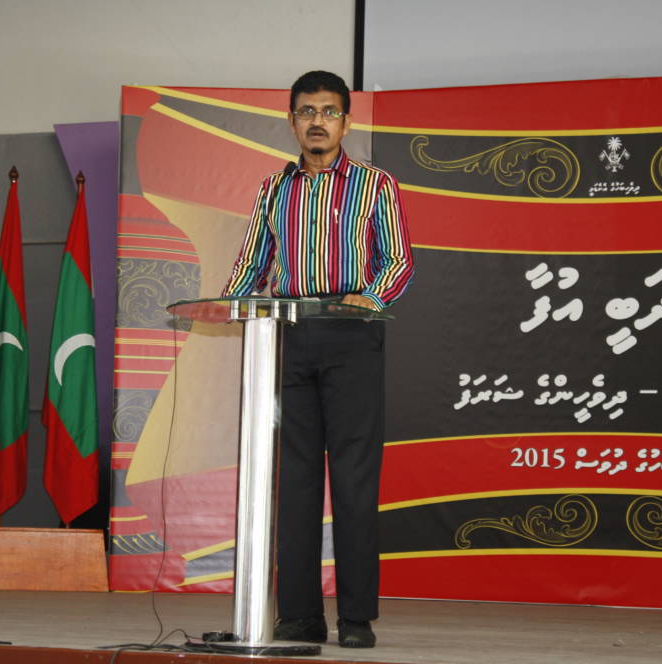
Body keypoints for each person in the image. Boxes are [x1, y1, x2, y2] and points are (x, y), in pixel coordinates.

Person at [222, 70, 414, 648]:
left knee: (354, 480)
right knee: (295, 482)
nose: (317, 122)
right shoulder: (272, 189)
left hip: (353, 336)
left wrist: (369, 298)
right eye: (307, 112)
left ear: (346, 122)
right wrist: (231, 304)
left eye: (328, 112)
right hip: (289, 338)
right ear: (291, 121)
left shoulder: (376, 184)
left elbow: (398, 260)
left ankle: (355, 618)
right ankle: (300, 615)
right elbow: (250, 264)